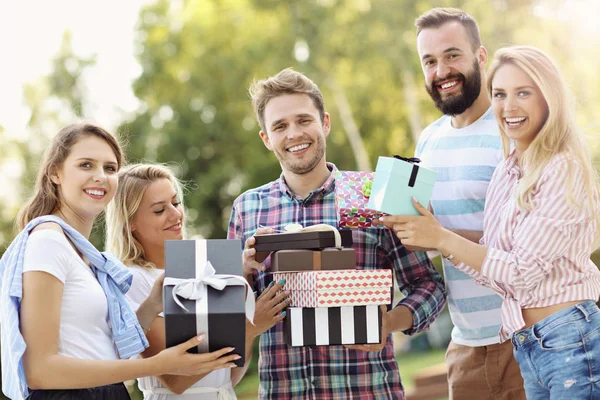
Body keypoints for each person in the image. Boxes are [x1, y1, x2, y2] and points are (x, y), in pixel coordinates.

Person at [381, 46, 600, 399]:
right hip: (529, 345)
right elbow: (495, 266)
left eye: (523, 93)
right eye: (500, 94)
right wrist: (436, 237)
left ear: (549, 98)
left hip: (570, 338)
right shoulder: (508, 171)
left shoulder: (562, 168)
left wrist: (442, 238)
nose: (508, 106)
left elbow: (521, 271)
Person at [227, 68, 447, 400]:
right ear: (266, 138)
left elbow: (429, 285)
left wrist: (387, 323)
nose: (294, 134)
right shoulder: (246, 209)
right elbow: (227, 312)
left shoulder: (377, 194)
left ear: (325, 123)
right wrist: (240, 274)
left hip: (368, 390)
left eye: (304, 120)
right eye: (280, 126)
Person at [0, 123, 241, 400]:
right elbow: (39, 371)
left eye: (110, 168)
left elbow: (97, 347)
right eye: (86, 165)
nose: (100, 177)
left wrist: (151, 304)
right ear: (55, 172)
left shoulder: (82, 253)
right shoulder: (48, 242)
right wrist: (157, 365)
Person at [413, 8, 525, 399]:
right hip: (465, 347)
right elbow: (426, 232)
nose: (441, 70)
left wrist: (440, 236)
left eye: (452, 55)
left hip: (526, 336)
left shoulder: (512, 131)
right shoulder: (427, 141)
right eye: (430, 61)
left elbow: (533, 244)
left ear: (481, 57)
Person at [105, 163, 289, 399]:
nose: (175, 214)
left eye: (175, 202)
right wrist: (248, 328)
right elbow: (176, 381)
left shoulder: (203, 271)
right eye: (160, 210)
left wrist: (249, 329)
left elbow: (226, 379)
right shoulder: (134, 281)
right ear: (130, 223)